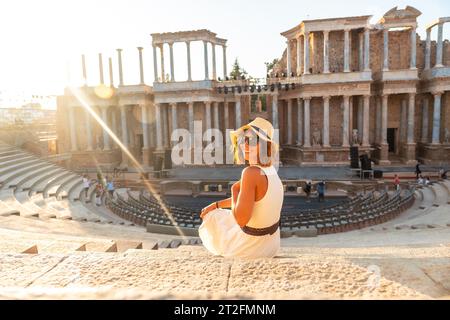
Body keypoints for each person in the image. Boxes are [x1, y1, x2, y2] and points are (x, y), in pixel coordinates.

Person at [199, 117, 283, 259]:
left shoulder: (251, 173)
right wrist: (216, 205)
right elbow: (250, 200)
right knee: (217, 212)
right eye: (243, 140)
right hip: (271, 244)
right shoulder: (270, 170)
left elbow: (241, 220)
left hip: (250, 248)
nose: (244, 145)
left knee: (213, 218)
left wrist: (234, 189)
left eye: (251, 141)